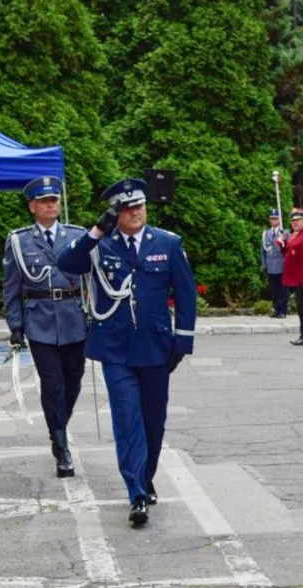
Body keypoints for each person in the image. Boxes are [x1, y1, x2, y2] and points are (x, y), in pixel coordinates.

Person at [57, 178, 197, 526]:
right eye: (128, 208)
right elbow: (66, 263)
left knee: (153, 420)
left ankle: (146, 476)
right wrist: (95, 232)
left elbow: (186, 295)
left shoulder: (167, 243)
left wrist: (182, 342)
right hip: (116, 349)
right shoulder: (100, 245)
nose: (136, 212)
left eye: (140, 206)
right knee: (126, 418)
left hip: (156, 348)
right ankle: (136, 492)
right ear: (115, 214)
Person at [2, 177, 88, 478]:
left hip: (74, 319)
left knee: (73, 381)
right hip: (39, 322)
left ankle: (57, 427)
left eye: (54, 200)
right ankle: (61, 447)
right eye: (44, 201)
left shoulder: (78, 236)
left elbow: (94, 280)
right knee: (52, 384)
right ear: (32, 207)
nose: (51, 205)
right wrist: (15, 325)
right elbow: (11, 287)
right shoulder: (19, 241)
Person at [279, 207, 303, 346]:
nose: (295, 222)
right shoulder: (295, 235)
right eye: (293, 221)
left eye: (298, 220)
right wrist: (282, 243)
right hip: (296, 279)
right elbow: (288, 254)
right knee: (302, 310)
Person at [261, 208, 289, 318]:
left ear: (279, 220)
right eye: (272, 218)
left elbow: (287, 249)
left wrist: (283, 239)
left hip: (282, 266)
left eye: (276, 218)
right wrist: (264, 265)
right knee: (273, 290)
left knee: (282, 290)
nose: (273, 220)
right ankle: (276, 310)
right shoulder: (265, 233)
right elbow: (263, 251)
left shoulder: (284, 232)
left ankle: (282, 311)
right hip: (270, 267)